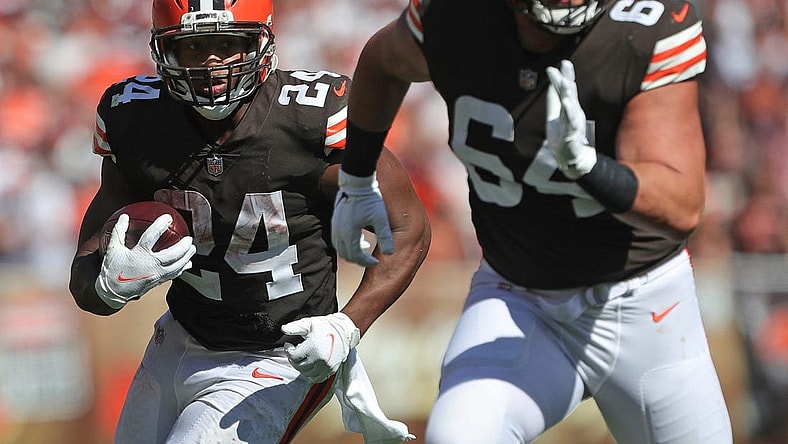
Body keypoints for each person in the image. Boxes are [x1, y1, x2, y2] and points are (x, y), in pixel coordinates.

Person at [330, 0, 734, 442]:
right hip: (518, 295)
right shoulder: (455, 15)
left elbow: (682, 204)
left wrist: (590, 167)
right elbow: (382, 63)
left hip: (643, 302)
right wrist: (357, 176)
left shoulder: (640, 28)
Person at [68, 0, 429, 442]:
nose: (212, 63)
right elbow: (85, 276)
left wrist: (348, 323)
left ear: (260, 42)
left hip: (279, 356)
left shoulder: (309, 119)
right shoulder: (136, 120)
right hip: (178, 339)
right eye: (195, 48)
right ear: (165, 50)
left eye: (227, 44)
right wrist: (108, 287)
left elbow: (408, 228)